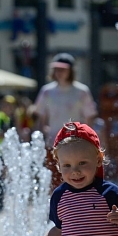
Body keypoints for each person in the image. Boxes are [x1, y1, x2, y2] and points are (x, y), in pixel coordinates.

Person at [33, 53, 98, 189]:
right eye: (56, 69)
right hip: (53, 143)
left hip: (76, 144)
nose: (59, 72)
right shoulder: (47, 91)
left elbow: (89, 117)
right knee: (54, 181)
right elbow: (41, 117)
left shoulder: (81, 91)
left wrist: (88, 140)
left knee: (77, 180)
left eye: (63, 69)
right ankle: (57, 209)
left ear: (71, 71)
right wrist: (41, 132)